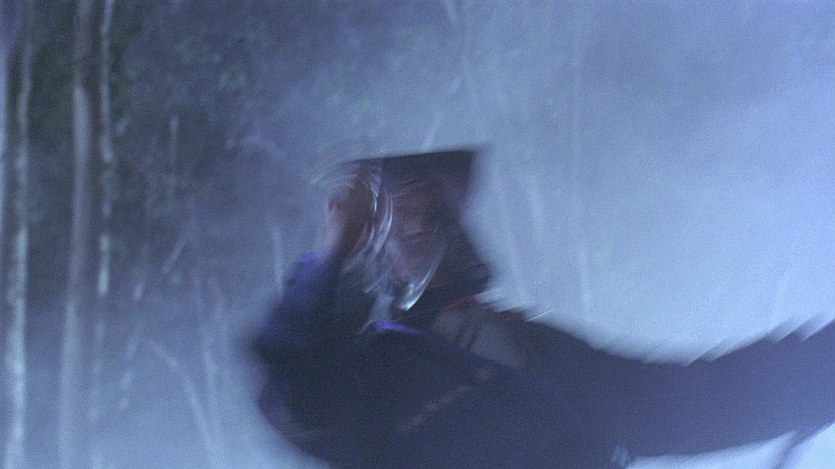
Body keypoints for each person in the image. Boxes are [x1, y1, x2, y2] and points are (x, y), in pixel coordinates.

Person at [253, 149, 835, 468]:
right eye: (396, 216)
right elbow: (292, 386)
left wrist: (822, 369)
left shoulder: (535, 350)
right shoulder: (374, 378)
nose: (417, 228)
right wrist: (329, 256)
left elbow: (687, 403)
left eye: (428, 211)